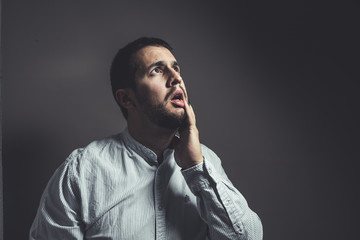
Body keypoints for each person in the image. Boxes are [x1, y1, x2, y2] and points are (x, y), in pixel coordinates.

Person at [29, 37, 263, 240]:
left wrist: (196, 168)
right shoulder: (81, 172)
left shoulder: (205, 162)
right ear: (127, 99)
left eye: (176, 68)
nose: (175, 78)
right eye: (157, 70)